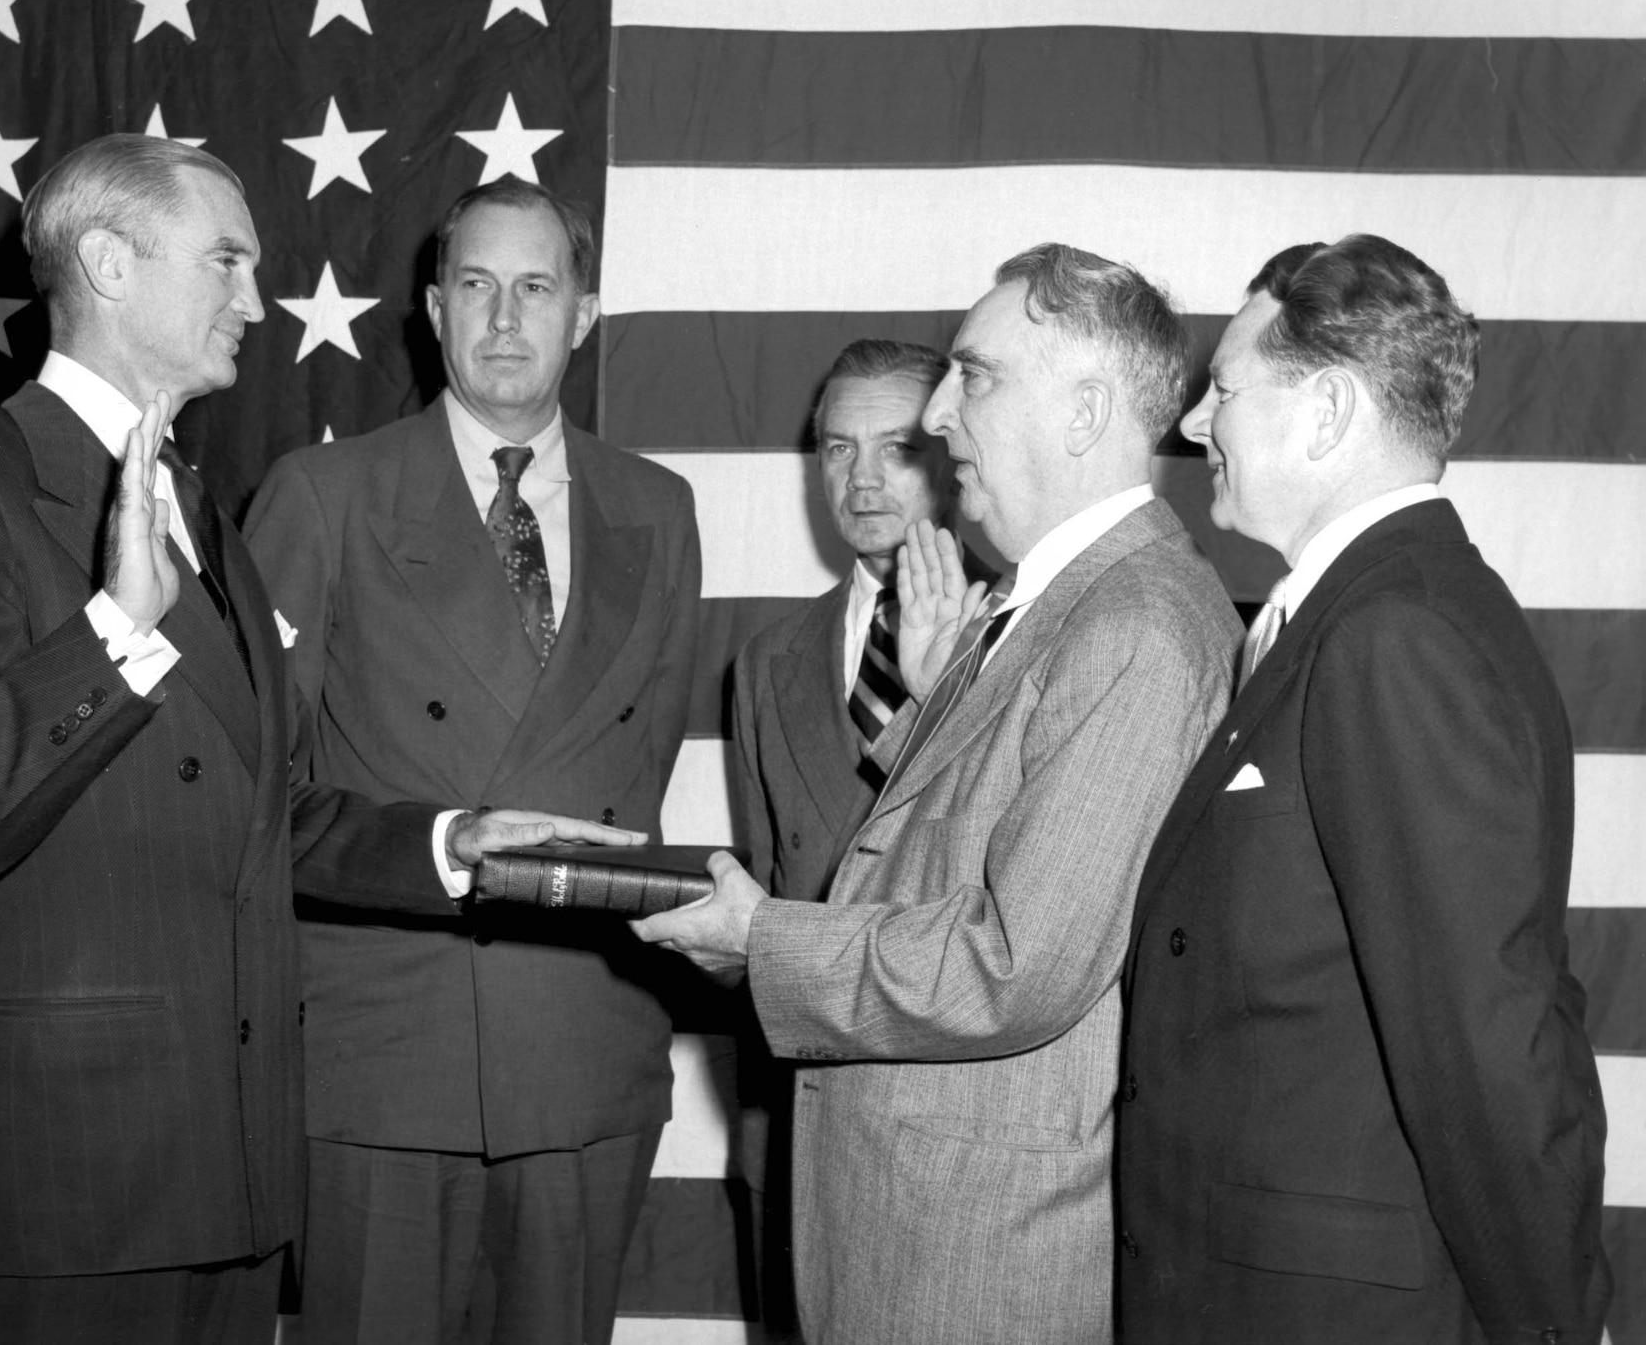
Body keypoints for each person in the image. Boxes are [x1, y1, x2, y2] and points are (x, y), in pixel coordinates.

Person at [0, 136, 630, 1344]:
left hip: (224, 1169)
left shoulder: (195, 501)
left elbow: (262, 805)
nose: (255, 300)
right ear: (109, 264)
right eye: (226, 260)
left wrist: (449, 843)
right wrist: (113, 630)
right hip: (61, 1186)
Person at [635, 244, 1240, 1344]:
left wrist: (763, 937)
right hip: (918, 1225)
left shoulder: (1135, 622)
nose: (942, 415)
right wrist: (926, 708)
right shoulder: (1047, 605)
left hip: (981, 1250)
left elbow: (1017, 962)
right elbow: (968, 840)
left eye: (976, 375)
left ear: (1084, 410)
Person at [1116, 235, 1611, 1345]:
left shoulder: (1394, 635)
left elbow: (1483, 1039)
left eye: (1224, 390)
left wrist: (1551, 1325)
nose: (1193, 425)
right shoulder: (1351, 615)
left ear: (1327, 411)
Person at [243, 176, 703, 1345]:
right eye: (476, 286)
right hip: (386, 1051)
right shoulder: (322, 495)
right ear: (431, 309)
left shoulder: (659, 507)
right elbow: (256, 797)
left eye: (536, 287)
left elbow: (634, 777)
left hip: (583, 1046)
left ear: (583, 314)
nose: (505, 318)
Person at [730, 339, 969, 901]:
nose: (862, 478)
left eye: (896, 448)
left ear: (956, 458)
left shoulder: (1020, 626)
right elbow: (763, 906)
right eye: (841, 448)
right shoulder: (766, 663)